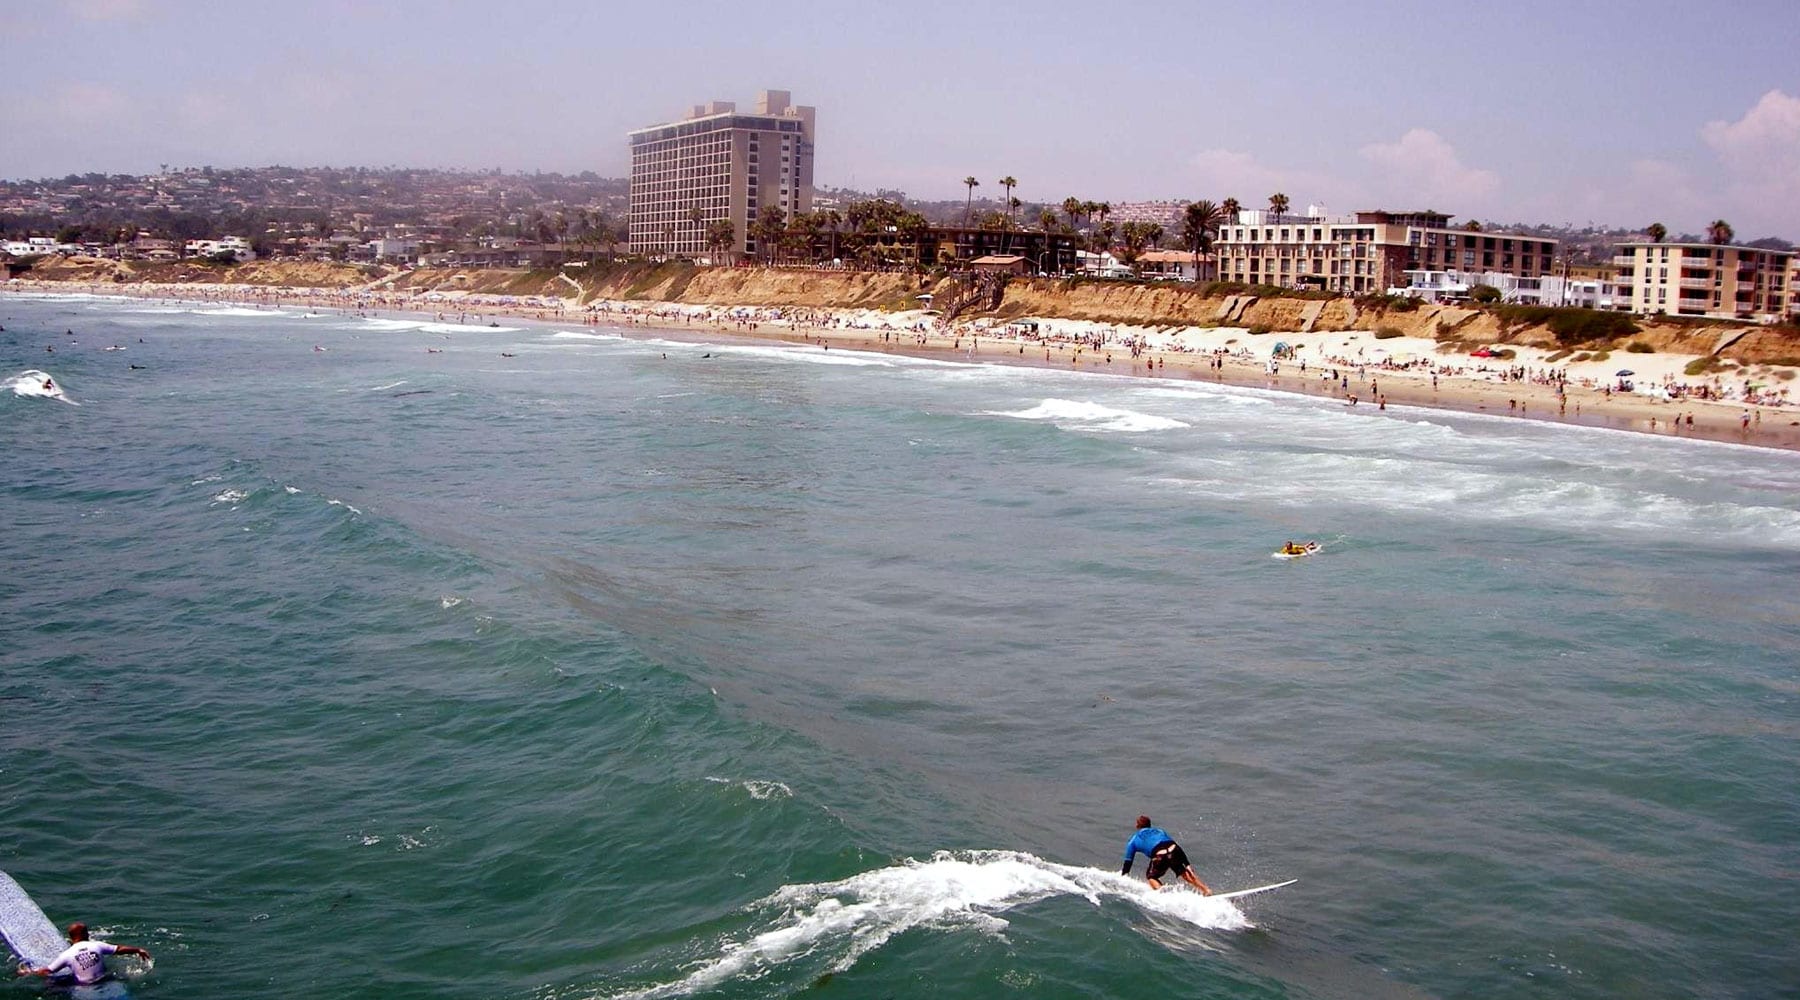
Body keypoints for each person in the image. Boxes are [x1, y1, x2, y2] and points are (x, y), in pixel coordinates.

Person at [18, 922, 150, 985]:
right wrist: (138, 950)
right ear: (87, 934)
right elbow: (118, 949)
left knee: (52, 985)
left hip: (84, 988)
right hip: (106, 981)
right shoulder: (97, 945)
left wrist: (29, 972)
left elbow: (47, 971)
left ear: (70, 938)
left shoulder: (67, 955)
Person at [1122, 815, 1211, 894]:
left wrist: (1123, 879)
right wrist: (1187, 864)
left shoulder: (1133, 840)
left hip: (1160, 855)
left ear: (1137, 826)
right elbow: (1173, 844)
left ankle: (1164, 895)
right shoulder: (1160, 831)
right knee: (1184, 873)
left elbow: (1128, 863)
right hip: (1174, 849)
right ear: (1150, 825)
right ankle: (1206, 890)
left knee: (1151, 876)